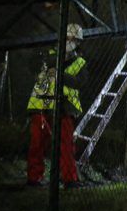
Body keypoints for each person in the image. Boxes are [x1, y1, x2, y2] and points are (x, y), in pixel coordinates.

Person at [26, 23, 87, 189]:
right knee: (37, 143)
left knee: (66, 145)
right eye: (68, 38)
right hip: (41, 105)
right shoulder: (48, 56)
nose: (71, 41)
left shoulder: (80, 62)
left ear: (79, 42)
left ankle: (69, 179)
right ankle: (34, 178)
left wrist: (60, 74)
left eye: (74, 39)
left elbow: (79, 82)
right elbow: (34, 66)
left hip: (64, 108)